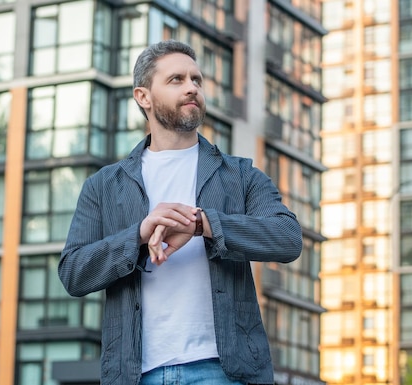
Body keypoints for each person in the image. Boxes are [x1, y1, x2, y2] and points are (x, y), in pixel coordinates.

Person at [58, 40, 303, 385]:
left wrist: (203, 223)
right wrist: (139, 234)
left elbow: (288, 238)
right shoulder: (103, 186)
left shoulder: (241, 175)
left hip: (224, 372)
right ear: (143, 96)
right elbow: (73, 272)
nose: (191, 87)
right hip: (136, 374)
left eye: (196, 80)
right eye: (176, 80)